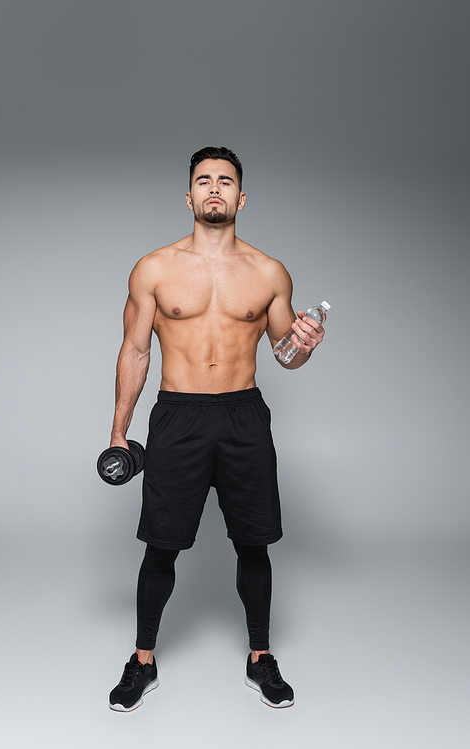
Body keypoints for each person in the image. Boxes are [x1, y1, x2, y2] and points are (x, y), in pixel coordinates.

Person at [107, 146, 325, 711]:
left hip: (242, 415)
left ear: (241, 197)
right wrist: (117, 433)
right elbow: (134, 353)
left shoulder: (269, 272)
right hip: (177, 416)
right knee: (161, 546)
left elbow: (285, 355)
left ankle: (260, 658)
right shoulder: (153, 268)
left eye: (225, 181)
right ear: (188, 197)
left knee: (253, 544)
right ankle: (142, 660)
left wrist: (304, 346)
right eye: (203, 180)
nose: (214, 189)